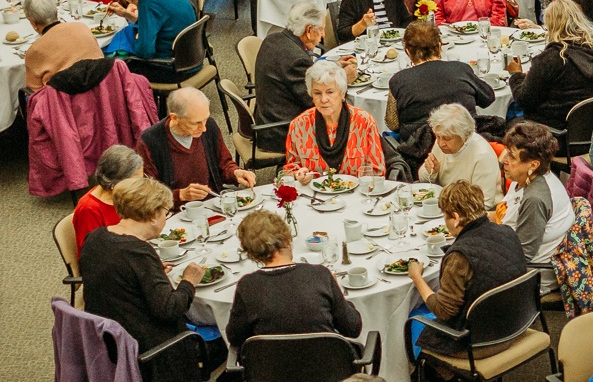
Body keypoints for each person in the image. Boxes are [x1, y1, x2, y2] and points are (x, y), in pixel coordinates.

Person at [80, 177, 216, 381]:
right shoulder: (140, 253)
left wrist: (151, 273)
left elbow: (117, 276)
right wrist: (189, 280)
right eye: (165, 213)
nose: (165, 219)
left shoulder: (95, 238)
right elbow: (170, 309)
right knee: (224, 340)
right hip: (150, 351)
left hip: (108, 340)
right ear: (153, 215)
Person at [225, 209, 363, 349]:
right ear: (287, 239)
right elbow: (352, 328)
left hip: (269, 369)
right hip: (329, 367)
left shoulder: (247, 285)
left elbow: (235, 338)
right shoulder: (320, 275)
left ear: (250, 252)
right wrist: (337, 291)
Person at [403, 181, 528, 332]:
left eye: (445, 216)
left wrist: (417, 278)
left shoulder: (459, 257)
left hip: (478, 340)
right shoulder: (507, 232)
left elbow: (444, 312)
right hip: (517, 324)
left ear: (456, 218)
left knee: (410, 315)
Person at [254, 2, 357, 152]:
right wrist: (343, 79)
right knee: (352, 123)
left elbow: (306, 75)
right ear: (309, 30)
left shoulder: (273, 39)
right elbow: (318, 101)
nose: (322, 34)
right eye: (321, 29)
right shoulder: (296, 60)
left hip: (268, 118)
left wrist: (334, 67)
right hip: (283, 130)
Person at [508, 0, 593, 129]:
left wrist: (516, 74)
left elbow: (523, 100)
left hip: (554, 129)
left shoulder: (552, 59)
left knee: (508, 123)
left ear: (551, 26)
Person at [139, 88, 251, 205]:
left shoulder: (210, 126)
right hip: (175, 211)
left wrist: (236, 173)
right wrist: (180, 195)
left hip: (213, 203)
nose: (203, 128)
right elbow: (148, 194)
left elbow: (224, 164)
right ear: (175, 118)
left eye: (205, 120)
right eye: (196, 123)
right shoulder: (150, 142)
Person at [498, 122, 575, 291]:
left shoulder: (535, 199)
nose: (503, 159)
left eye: (511, 156)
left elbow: (522, 255)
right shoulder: (526, 179)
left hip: (532, 274)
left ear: (533, 165)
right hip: (512, 249)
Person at [386, 21, 493, 142]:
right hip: (464, 145)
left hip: (419, 152)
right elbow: (488, 98)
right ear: (439, 46)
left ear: (408, 52)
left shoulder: (398, 80)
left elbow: (392, 124)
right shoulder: (461, 69)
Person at [281, 62, 384, 179]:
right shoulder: (299, 126)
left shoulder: (364, 122)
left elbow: (377, 172)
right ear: (311, 95)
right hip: (314, 193)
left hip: (356, 193)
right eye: (317, 93)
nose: (323, 99)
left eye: (330, 92)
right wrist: (298, 175)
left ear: (342, 94)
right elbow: (291, 169)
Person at [107, 0, 195, 80]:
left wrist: (138, 37)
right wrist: (126, 14)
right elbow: (157, 22)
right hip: (192, 59)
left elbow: (145, 52)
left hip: (173, 68)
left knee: (116, 68)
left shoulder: (147, 4)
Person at [419, 103, 503, 206]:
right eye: (437, 136)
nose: (440, 143)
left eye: (447, 138)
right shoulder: (442, 142)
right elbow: (423, 180)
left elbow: (484, 204)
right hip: (445, 204)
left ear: (465, 135)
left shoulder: (482, 155)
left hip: (473, 212)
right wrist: (431, 172)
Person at [22, 0, 101, 90]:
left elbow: (34, 92)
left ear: (32, 22)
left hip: (66, 102)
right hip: (100, 89)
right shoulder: (82, 27)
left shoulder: (34, 51)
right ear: (56, 12)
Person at [73, 145, 142, 252]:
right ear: (114, 183)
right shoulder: (89, 209)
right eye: (135, 181)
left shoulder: (125, 194)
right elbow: (93, 252)